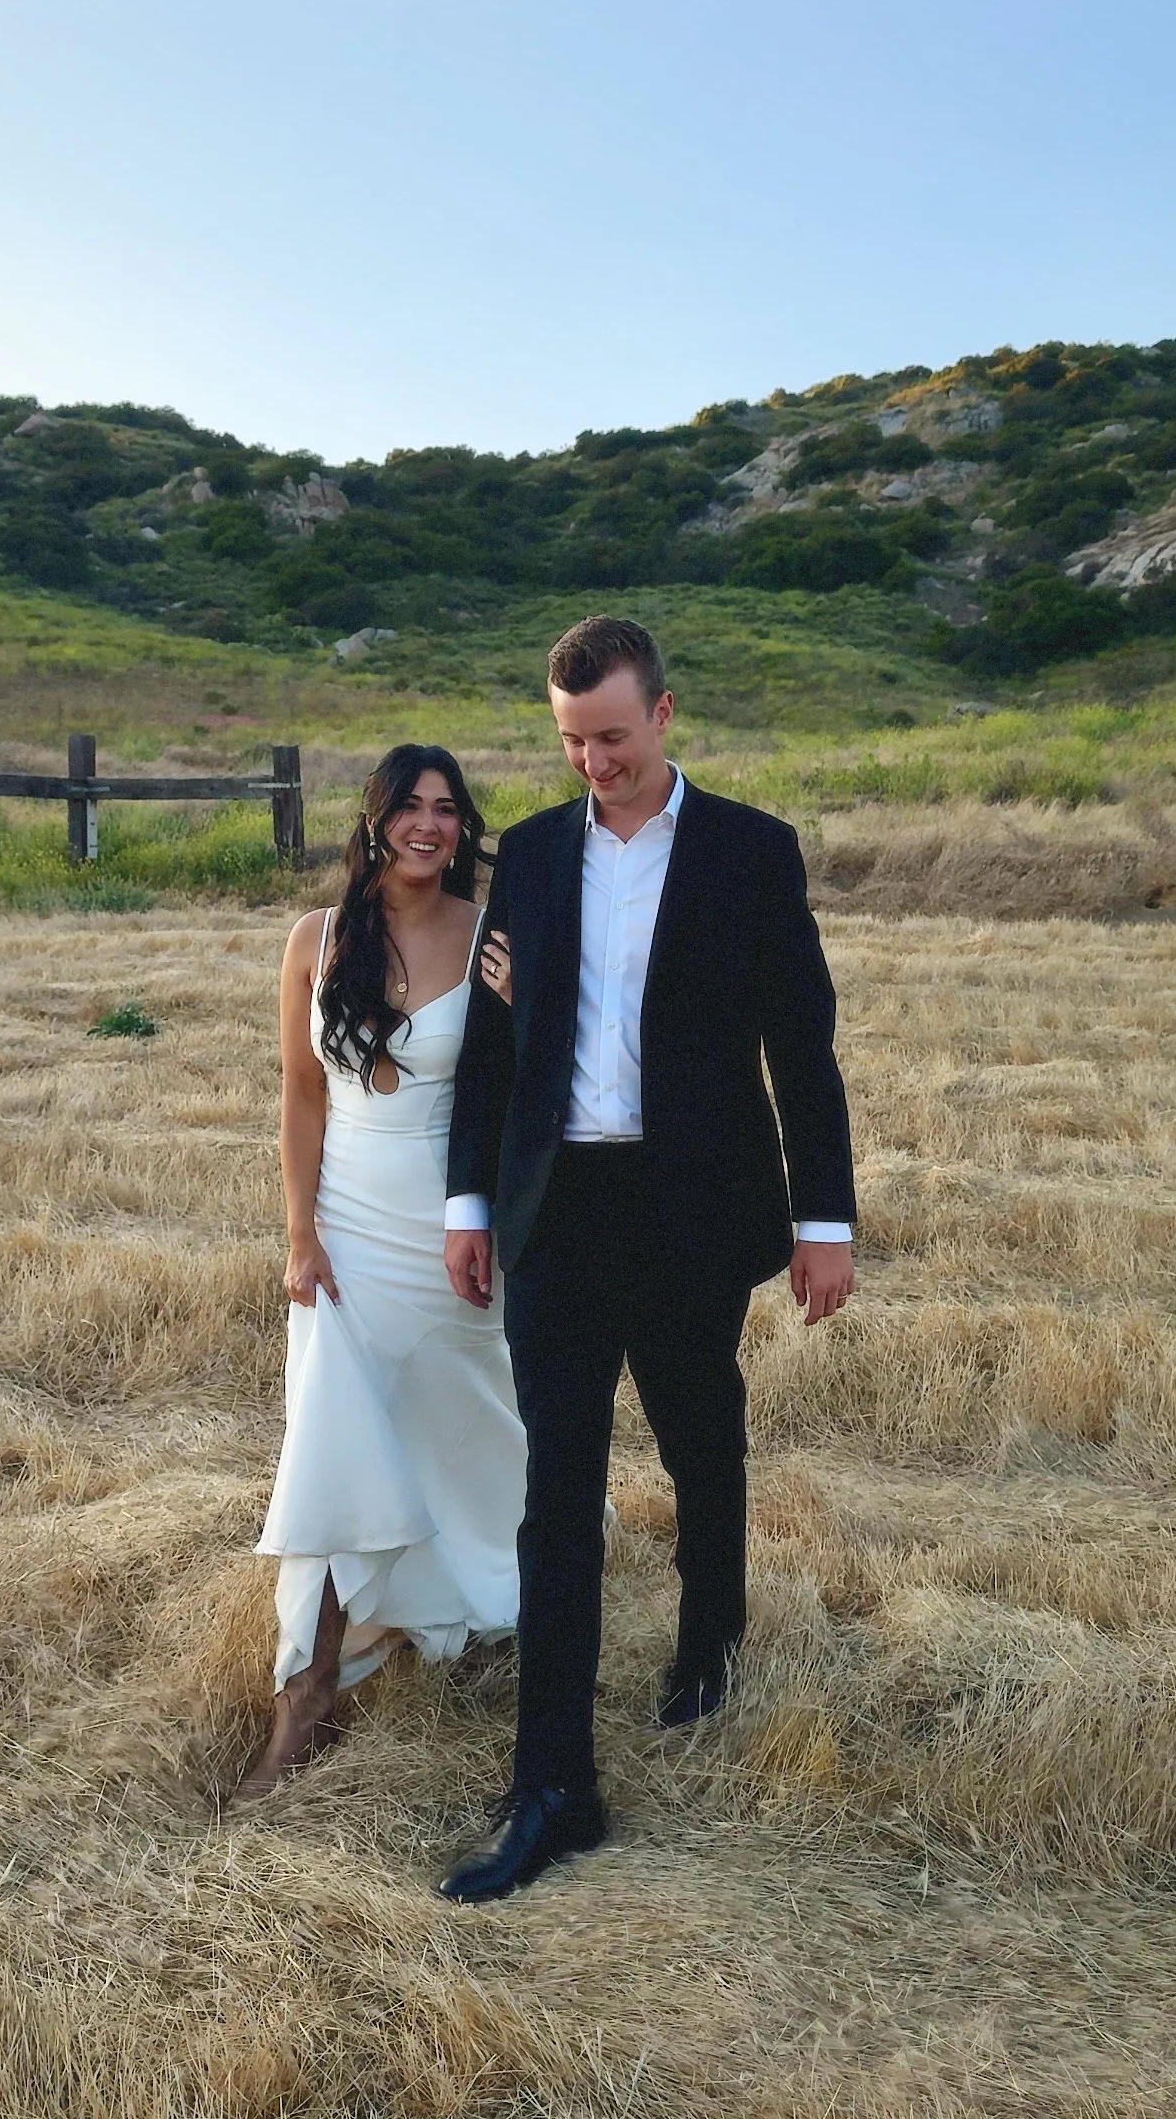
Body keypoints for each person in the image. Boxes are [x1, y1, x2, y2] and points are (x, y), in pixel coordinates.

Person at [436, 615, 857, 1901]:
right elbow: (495, 1050)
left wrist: (823, 1219)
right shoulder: (536, 855)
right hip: (557, 1210)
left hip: (691, 1205)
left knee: (698, 1437)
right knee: (554, 1487)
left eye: (611, 736)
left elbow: (804, 1046)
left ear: (665, 715)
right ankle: (553, 1786)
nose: (591, 763)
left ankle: (709, 1637)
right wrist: (467, 1199)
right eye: (570, 741)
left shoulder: (752, 852)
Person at [229, 745, 528, 1805]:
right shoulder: (314, 940)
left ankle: (476, 1621)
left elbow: (522, 1092)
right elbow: (301, 1096)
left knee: (465, 1445)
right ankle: (304, 1700)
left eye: (448, 810)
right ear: (374, 820)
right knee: (329, 1452)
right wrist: (300, 1234)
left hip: (450, 1234)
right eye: (409, 806)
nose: (430, 825)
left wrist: (521, 999)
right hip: (347, 1235)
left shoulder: (495, 928)